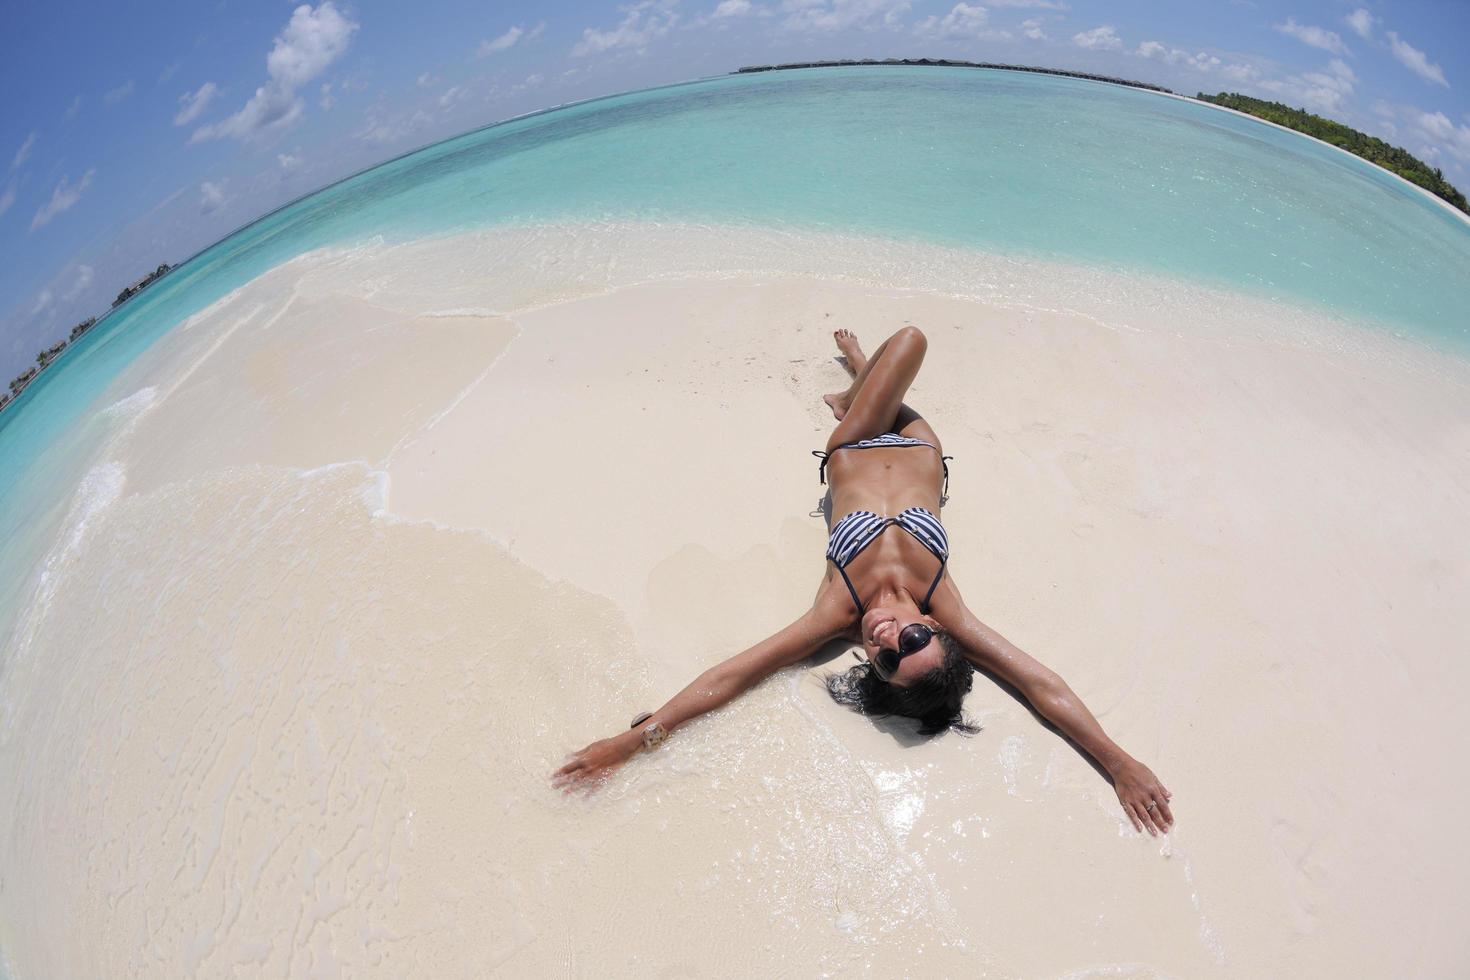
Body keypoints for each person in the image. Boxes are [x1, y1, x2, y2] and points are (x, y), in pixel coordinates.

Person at [553, 326, 1174, 835]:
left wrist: (632, 743)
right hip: (917, 443)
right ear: (932, 630)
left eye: (881, 660)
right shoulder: (946, 606)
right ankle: (859, 375)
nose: (884, 638)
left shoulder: (836, 612)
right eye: (909, 643)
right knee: (912, 339)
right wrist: (1119, 763)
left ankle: (857, 394)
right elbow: (1041, 683)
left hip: (853, 446)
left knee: (904, 348)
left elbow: (734, 674)